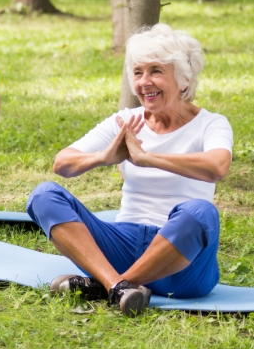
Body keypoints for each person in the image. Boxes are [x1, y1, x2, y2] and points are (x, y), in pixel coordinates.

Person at [26, 25, 232, 316]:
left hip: (183, 266)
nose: (145, 82)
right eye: (137, 73)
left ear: (184, 79)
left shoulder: (211, 123)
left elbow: (217, 166)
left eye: (156, 71)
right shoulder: (126, 121)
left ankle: (106, 285)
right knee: (44, 194)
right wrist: (104, 156)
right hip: (123, 244)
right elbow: (62, 163)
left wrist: (149, 158)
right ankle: (118, 287)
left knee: (200, 212)